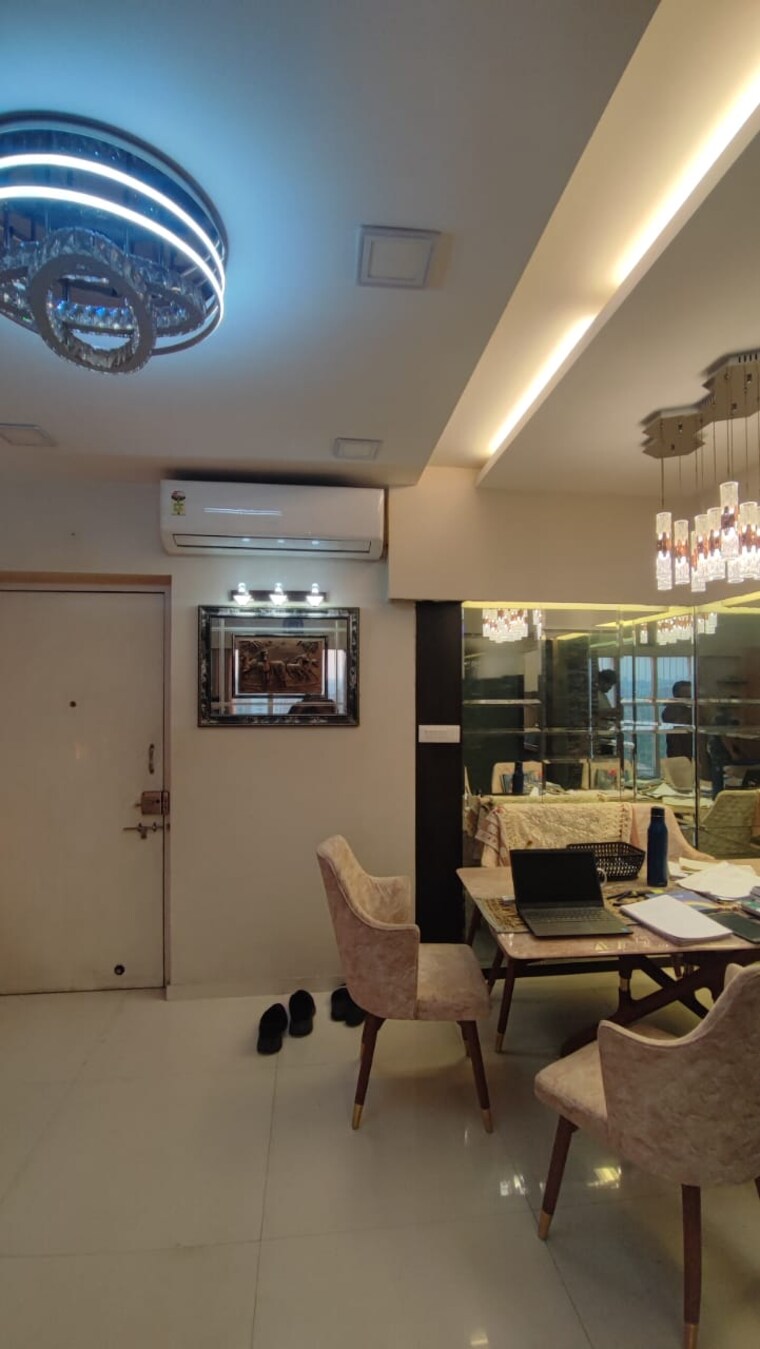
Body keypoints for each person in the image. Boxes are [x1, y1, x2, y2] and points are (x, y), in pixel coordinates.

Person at [662, 680, 693, 759]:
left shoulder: (691, 710)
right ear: (676, 695)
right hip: (677, 753)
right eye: (685, 693)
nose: (689, 696)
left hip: (692, 750)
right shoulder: (670, 710)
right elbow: (678, 725)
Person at [595, 668, 618, 756]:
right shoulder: (597, 696)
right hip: (602, 737)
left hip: (606, 735)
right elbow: (597, 713)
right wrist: (613, 712)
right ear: (602, 681)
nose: (610, 687)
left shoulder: (602, 695)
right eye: (609, 684)